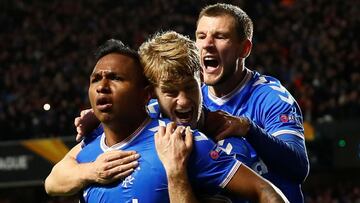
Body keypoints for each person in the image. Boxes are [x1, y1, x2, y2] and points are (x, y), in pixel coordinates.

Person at [46, 38, 288, 202]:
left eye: (190, 89)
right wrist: (92, 172)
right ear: (153, 93)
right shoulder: (95, 140)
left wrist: (176, 173)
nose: (183, 102)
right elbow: (52, 182)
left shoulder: (201, 140)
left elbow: (270, 189)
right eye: (171, 92)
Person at [194, 3, 309, 203]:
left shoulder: (270, 97)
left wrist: (249, 129)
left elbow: (298, 167)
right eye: (201, 36)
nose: (207, 44)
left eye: (220, 36)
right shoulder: (193, 100)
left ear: (245, 49)